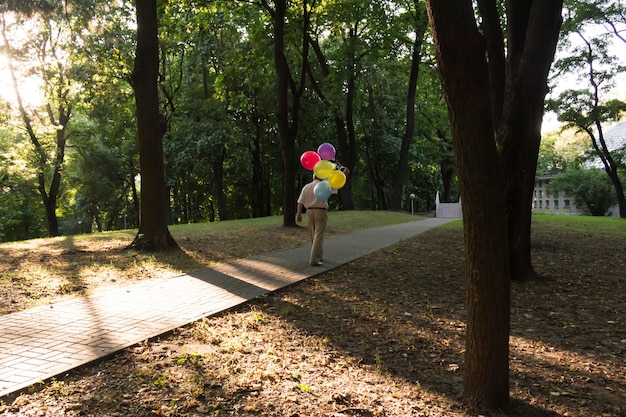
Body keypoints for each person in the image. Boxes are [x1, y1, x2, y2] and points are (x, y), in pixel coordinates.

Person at [296, 167, 349, 266]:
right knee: (319, 236)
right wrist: (344, 174)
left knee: (313, 235)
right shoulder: (325, 185)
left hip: (309, 212)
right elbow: (336, 183)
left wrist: (298, 214)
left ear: (314, 175)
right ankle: (314, 259)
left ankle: (318, 256)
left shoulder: (306, 187)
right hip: (321, 211)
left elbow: (300, 202)